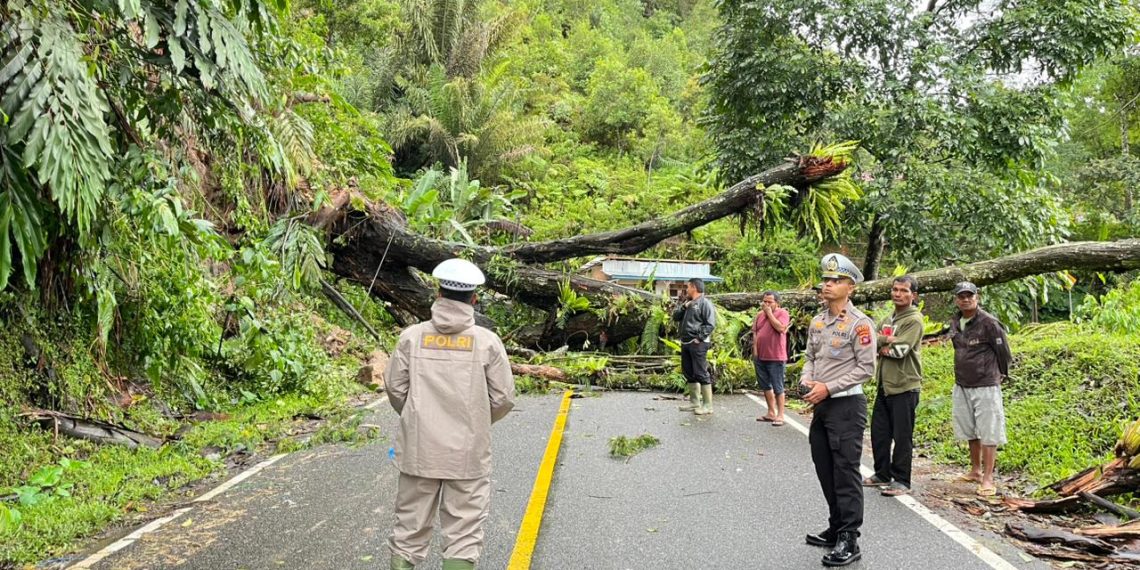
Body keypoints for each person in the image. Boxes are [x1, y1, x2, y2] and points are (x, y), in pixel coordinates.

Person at [384, 258, 516, 570]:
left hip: (419, 449)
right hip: (467, 454)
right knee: (464, 532)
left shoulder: (412, 337)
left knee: (409, 530)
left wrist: (417, 417)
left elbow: (394, 388)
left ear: (438, 294)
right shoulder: (487, 343)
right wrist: (477, 422)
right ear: (474, 299)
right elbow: (503, 398)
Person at [800, 253, 876, 567]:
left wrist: (828, 387)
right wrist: (806, 377)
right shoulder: (818, 321)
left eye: (836, 280)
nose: (828, 285)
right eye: (826, 280)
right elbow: (810, 356)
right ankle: (835, 526)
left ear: (851, 287)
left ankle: (850, 538)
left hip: (846, 405)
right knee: (825, 468)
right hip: (822, 406)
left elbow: (866, 368)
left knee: (846, 471)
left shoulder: (860, 324)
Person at [948, 281, 1012, 497]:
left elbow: (1003, 352)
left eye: (970, 296)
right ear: (956, 299)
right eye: (961, 296)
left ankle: (988, 477)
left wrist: (1001, 374)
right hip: (962, 382)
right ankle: (975, 470)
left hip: (985, 383)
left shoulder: (989, 323)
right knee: (969, 428)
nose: (966, 299)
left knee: (989, 431)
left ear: (977, 297)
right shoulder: (956, 321)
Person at [864, 276, 924, 497]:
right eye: (895, 289)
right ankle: (882, 473)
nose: (898, 294)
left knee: (902, 435)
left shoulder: (914, 320)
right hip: (884, 384)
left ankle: (901, 480)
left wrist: (881, 344)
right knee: (880, 432)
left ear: (913, 295)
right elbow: (868, 342)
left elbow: (900, 352)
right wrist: (883, 341)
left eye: (903, 290)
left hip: (905, 385)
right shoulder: (889, 318)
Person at [672, 278, 717, 415]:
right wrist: (684, 306)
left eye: (688, 287)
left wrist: (699, 338)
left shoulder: (705, 303)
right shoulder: (688, 303)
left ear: (694, 287)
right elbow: (676, 317)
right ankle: (694, 402)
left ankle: (708, 405)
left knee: (700, 372)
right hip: (685, 342)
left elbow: (710, 324)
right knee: (688, 372)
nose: (687, 290)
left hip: (698, 343)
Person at [753, 291, 790, 426]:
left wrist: (769, 313)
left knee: (778, 386)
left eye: (770, 302)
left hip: (776, 356)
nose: (766, 304)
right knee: (765, 385)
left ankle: (780, 415)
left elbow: (781, 328)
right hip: (760, 356)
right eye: (765, 301)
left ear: (777, 303)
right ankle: (770, 412)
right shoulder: (758, 315)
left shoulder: (782, 313)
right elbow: (755, 333)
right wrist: (755, 350)